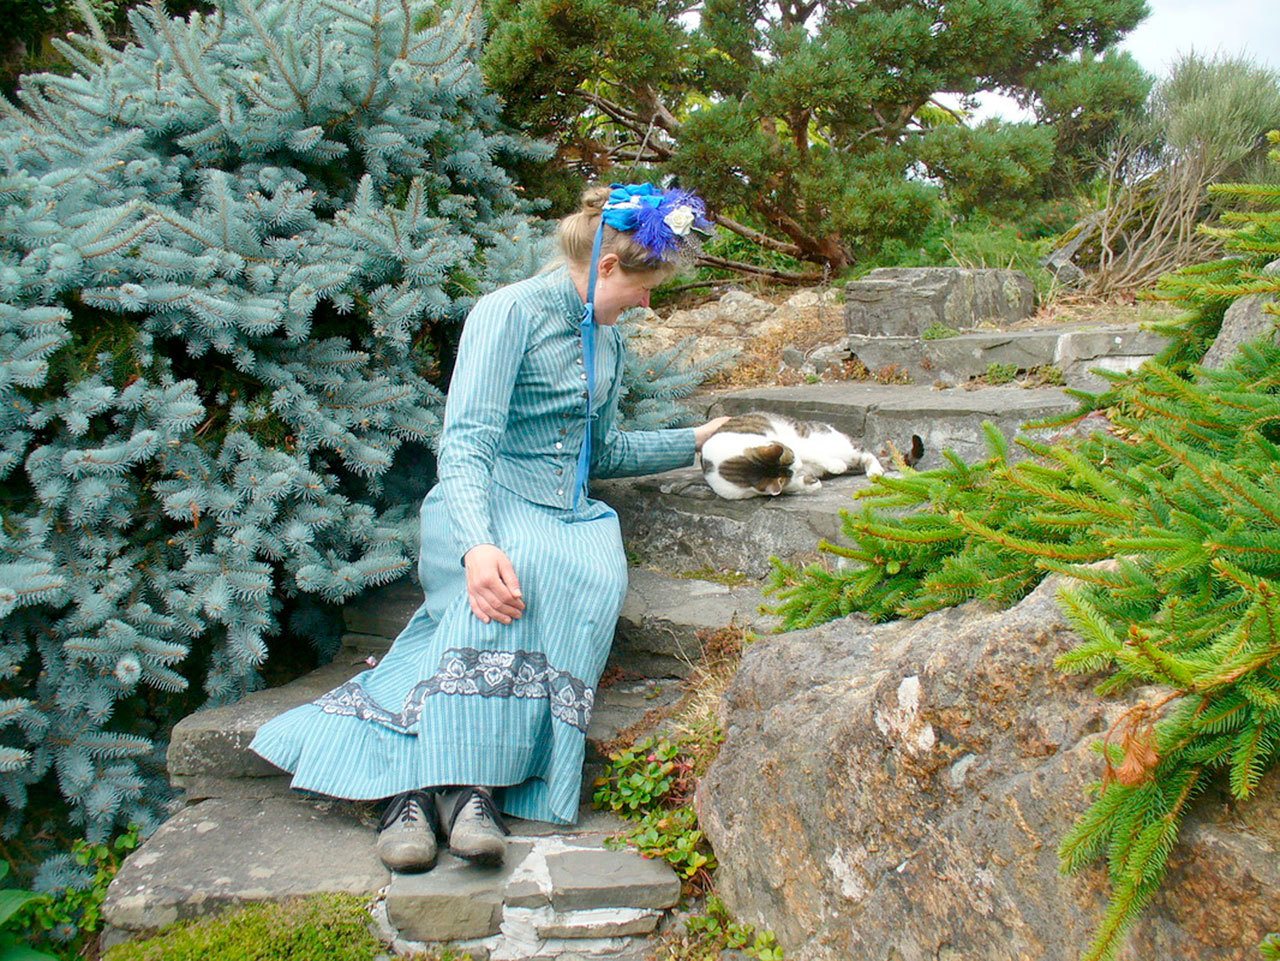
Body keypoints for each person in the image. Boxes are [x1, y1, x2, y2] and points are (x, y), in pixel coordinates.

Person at [249, 182, 730, 873]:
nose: (649, 303)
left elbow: (607, 449)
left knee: (592, 572)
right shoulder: (508, 313)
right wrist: (478, 546)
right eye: (647, 286)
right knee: (516, 565)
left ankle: (470, 782)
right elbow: (467, 443)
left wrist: (696, 438)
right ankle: (427, 791)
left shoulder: (609, 344)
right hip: (485, 500)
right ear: (608, 267)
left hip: (567, 512)